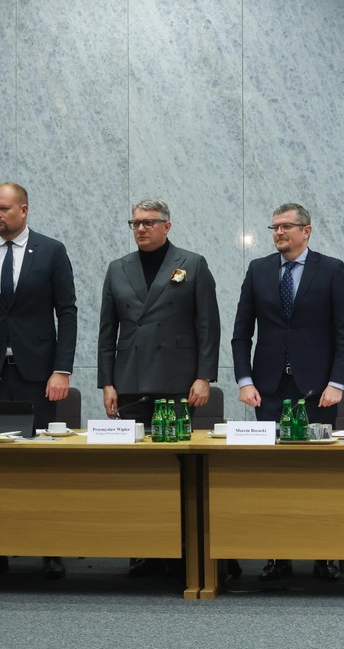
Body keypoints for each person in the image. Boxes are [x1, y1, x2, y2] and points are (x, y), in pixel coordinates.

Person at [0, 182, 77, 581]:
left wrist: (62, 369)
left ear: (24, 210)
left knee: (42, 466)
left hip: (38, 374)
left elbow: (67, 312)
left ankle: (50, 550)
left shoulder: (51, 251)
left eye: (4, 208)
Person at [232, 202, 344, 583]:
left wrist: (337, 383)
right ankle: (278, 555)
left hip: (318, 390)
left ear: (307, 231)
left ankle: (325, 554)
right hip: (269, 389)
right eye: (274, 227)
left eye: (286, 226)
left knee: (319, 476)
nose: (279, 233)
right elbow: (241, 333)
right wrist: (244, 381)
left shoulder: (331, 269)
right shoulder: (258, 270)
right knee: (274, 476)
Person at [98, 199, 220, 578]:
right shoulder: (118, 268)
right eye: (135, 223)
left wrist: (204, 376)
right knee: (137, 470)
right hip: (130, 380)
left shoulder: (192, 264)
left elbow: (208, 325)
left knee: (178, 468)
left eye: (149, 222)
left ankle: (181, 549)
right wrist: (106, 382)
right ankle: (144, 546)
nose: (141, 228)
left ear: (167, 226)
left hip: (178, 381)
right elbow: (106, 332)